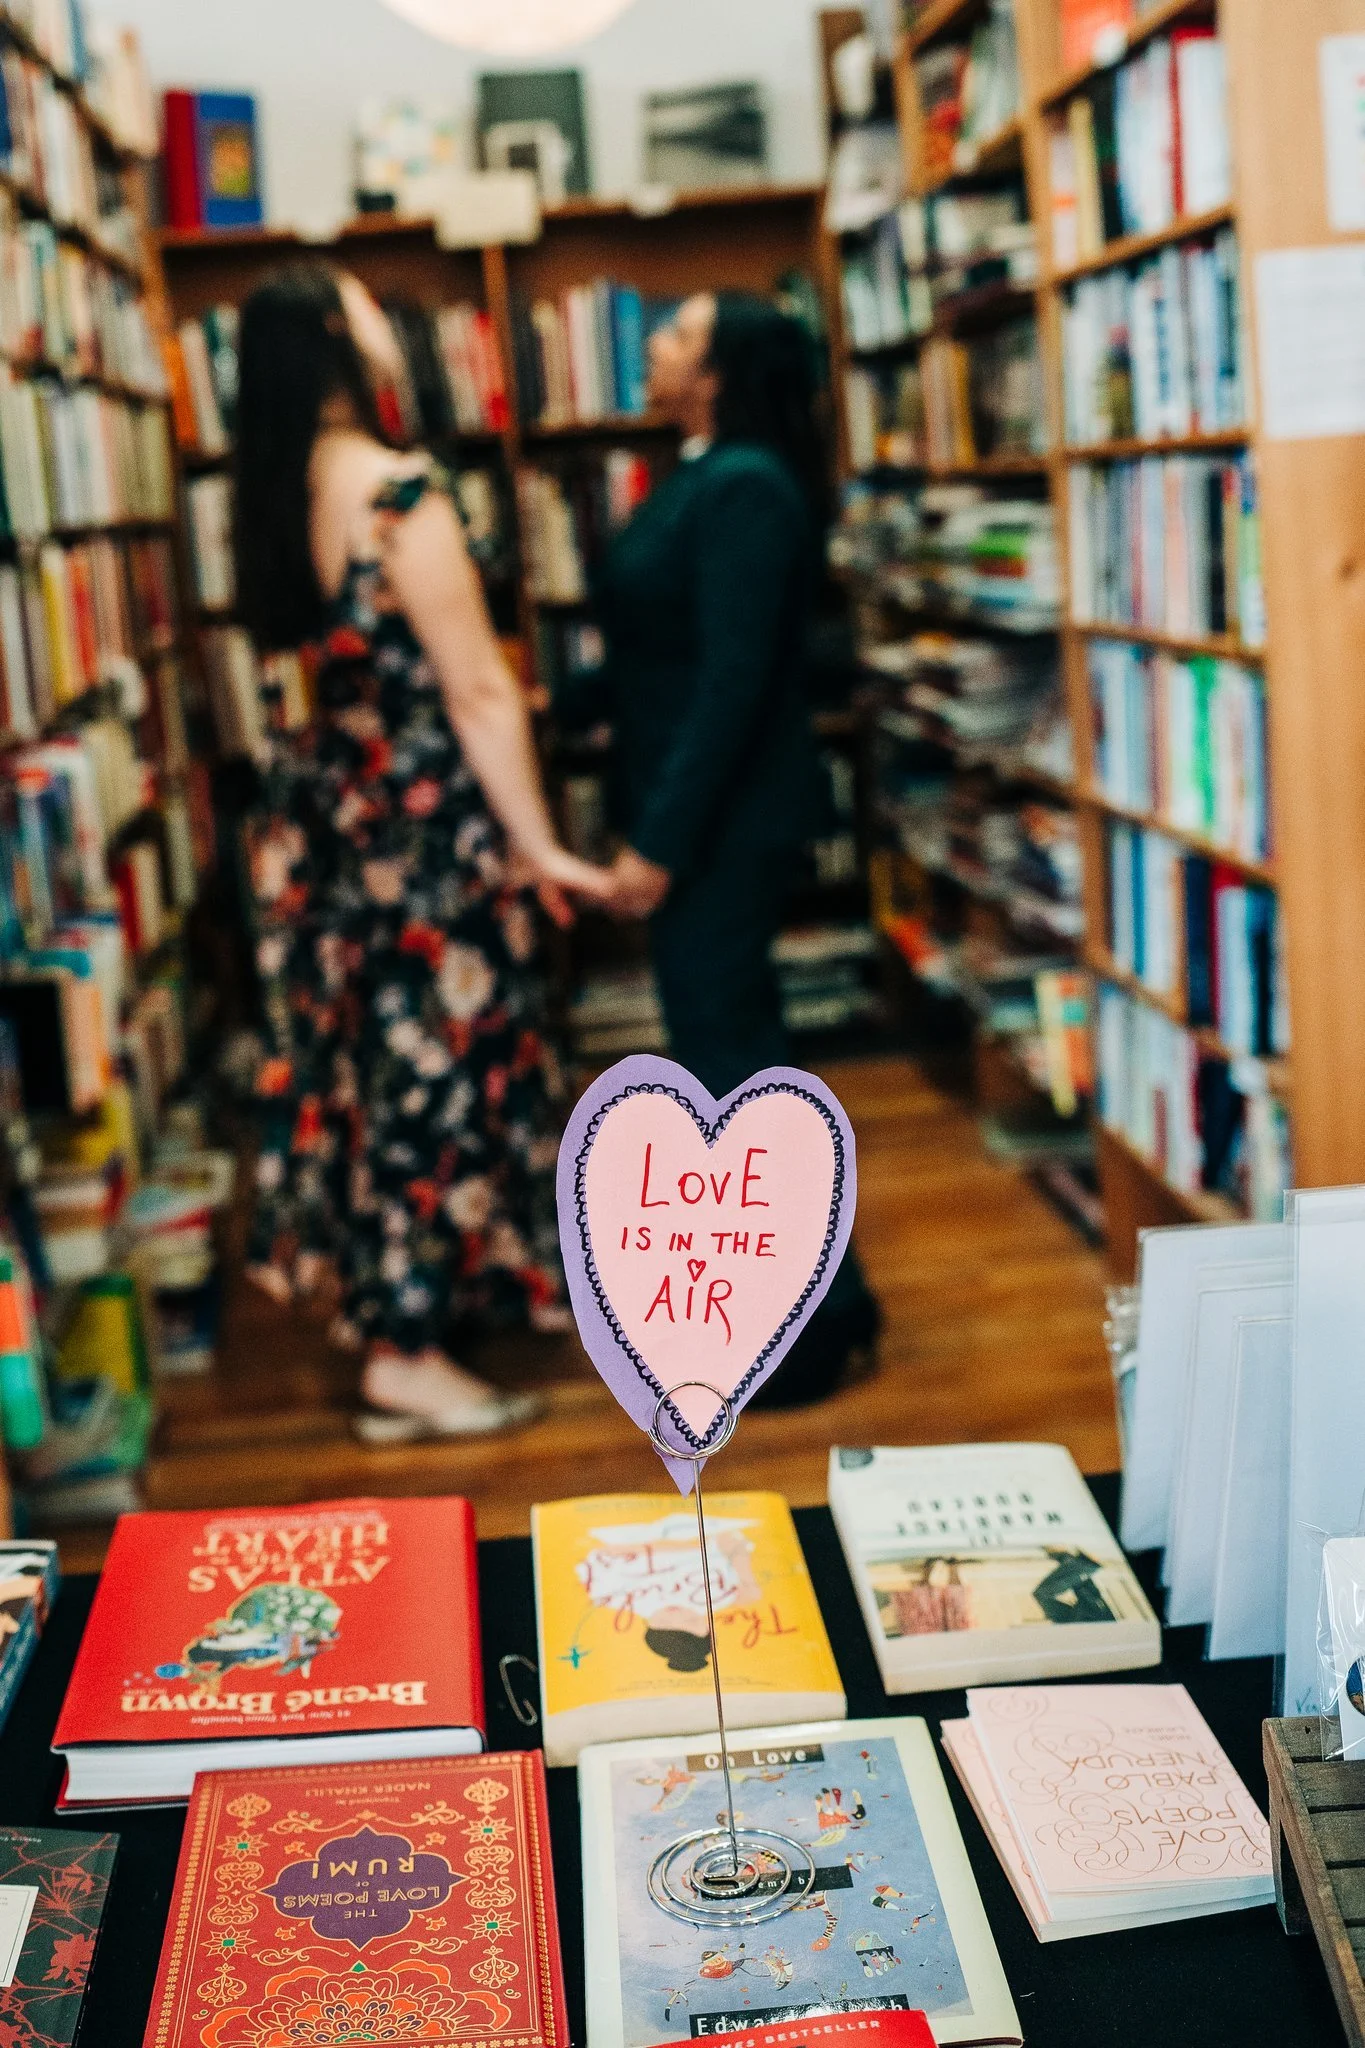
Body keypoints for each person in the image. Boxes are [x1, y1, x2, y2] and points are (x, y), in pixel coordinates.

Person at [234, 264, 609, 1443]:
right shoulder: (400, 493)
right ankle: (404, 1354)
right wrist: (543, 845)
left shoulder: (272, 493)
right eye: (358, 305)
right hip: (423, 835)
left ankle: (445, 1301)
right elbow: (481, 690)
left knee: (370, 1082)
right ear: (334, 344)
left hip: (330, 834)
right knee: (438, 1082)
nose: (383, 323)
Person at [586, 290, 880, 1401]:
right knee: (728, 1053)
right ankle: (803, 1309)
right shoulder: (706, 471)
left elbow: (733, 679)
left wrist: (660, 841)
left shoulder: (745, 485)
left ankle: (814, 1322)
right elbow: (657, 648)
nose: (651, 340)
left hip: (721, 823)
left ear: (713, 370)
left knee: (734, 1064)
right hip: (695, 810)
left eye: (672, 330)